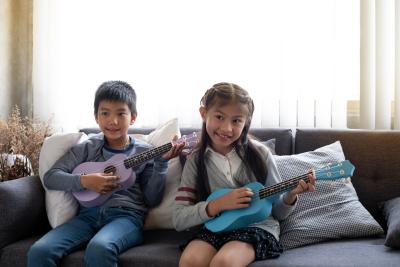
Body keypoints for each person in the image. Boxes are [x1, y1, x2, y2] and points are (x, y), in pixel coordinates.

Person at [28, 80, 185, 267]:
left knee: (100, 248)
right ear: (96, 117)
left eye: (121, 113)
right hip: (87, 217)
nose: (113, 121)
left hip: (126, 218)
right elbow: (51, 177)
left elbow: (152, 200)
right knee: (40, 251)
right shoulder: (87, 148)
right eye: (105, 113)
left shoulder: (145, 152)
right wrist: (85, 181)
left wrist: (161, 163)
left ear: (133, 117)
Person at [173, 82, 316, 267]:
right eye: (219, 117)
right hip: (217, 227)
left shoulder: (261, 155)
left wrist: (291, 195)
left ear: (246, 122)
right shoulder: (195, 161)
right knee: (190, 260)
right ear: (203, 113)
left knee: (224, 262)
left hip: (257, 227)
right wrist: (217, 205)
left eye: (236, 121)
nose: (227, 128)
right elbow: (179, 219)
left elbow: (278, 212)